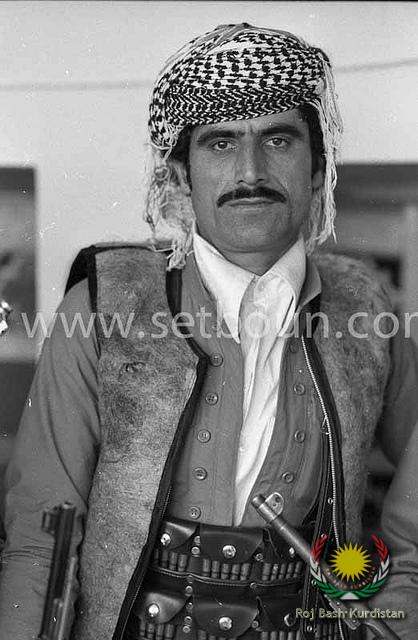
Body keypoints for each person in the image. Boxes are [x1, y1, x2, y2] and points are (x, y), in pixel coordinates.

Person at [0, 22, 418, 640]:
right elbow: (41, 539)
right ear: (180, 175)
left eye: (278, 138)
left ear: (316, 169)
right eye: (220, 142)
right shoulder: (99, 307)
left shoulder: (370, 310)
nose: (250, 170)